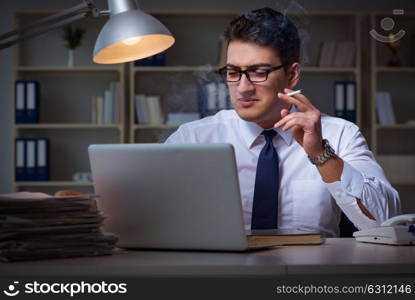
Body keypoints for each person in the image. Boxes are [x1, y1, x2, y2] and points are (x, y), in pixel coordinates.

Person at [165, 7, 400, 237]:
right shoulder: (193, 138)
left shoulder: (341, 134)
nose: (243, 88)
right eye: (233, 72)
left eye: (258, 72)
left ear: (292, 74)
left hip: (310, 274)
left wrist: (320, 154)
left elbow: (384, 222)